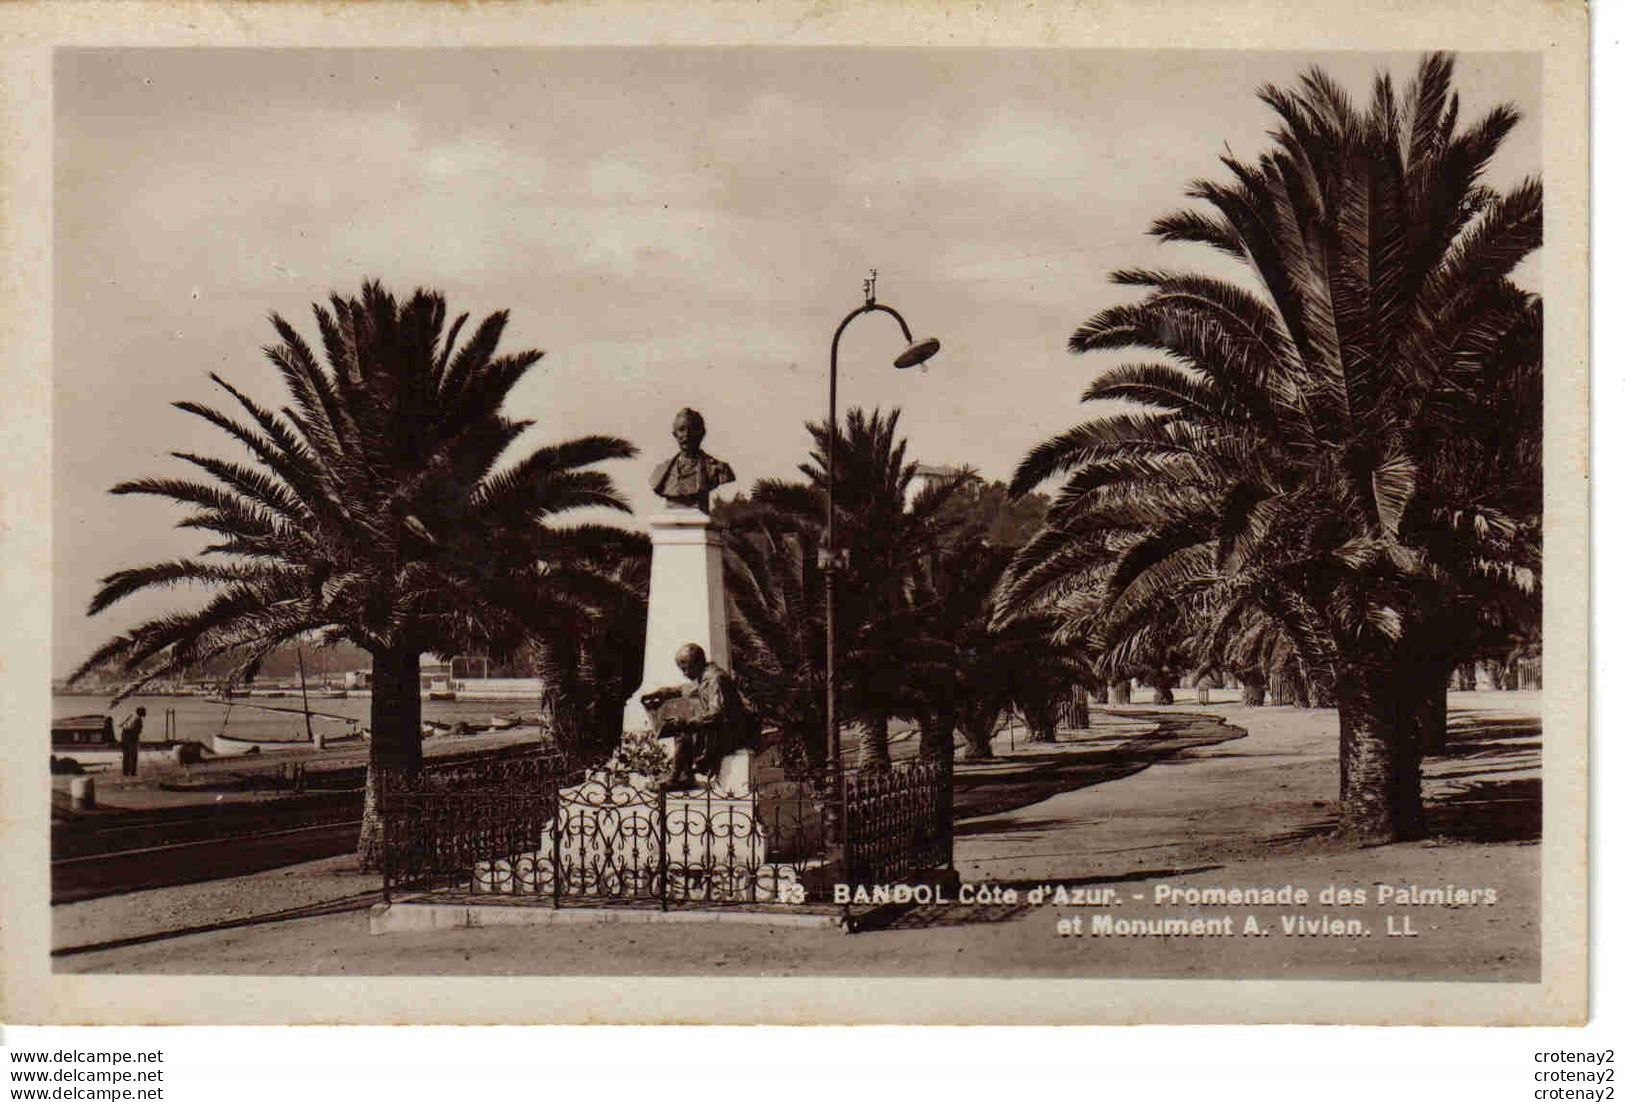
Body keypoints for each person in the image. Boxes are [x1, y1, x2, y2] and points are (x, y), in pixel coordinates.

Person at [641, 644, 757, 791]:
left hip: (733, 733)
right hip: (722, 729)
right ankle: (684, 775)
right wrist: (663, 692)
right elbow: (686, 689)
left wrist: (688, 723)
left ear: (697, 663)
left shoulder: (715, 679)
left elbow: (717, 714)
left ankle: (676, 778)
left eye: (685, 668)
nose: (684, 673)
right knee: (682, 727)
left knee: (685, 731)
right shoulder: (704, 676)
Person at [648, 408, 735, 513]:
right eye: (681, 429)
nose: (687, 434)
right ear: (675, 435)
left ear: (702, 433)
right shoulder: (661, 470)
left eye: (692, 429)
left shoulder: (718, 469)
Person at [119, 706, 146, 777]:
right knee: (133, 755)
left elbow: (123, 723)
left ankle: (125, 771)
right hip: (131, 737)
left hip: (124, 735)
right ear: (141, 712)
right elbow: (136, 730)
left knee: (126, 755)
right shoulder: (138, 719)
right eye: (144, 712)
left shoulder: (132, 715)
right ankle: (132, 771)